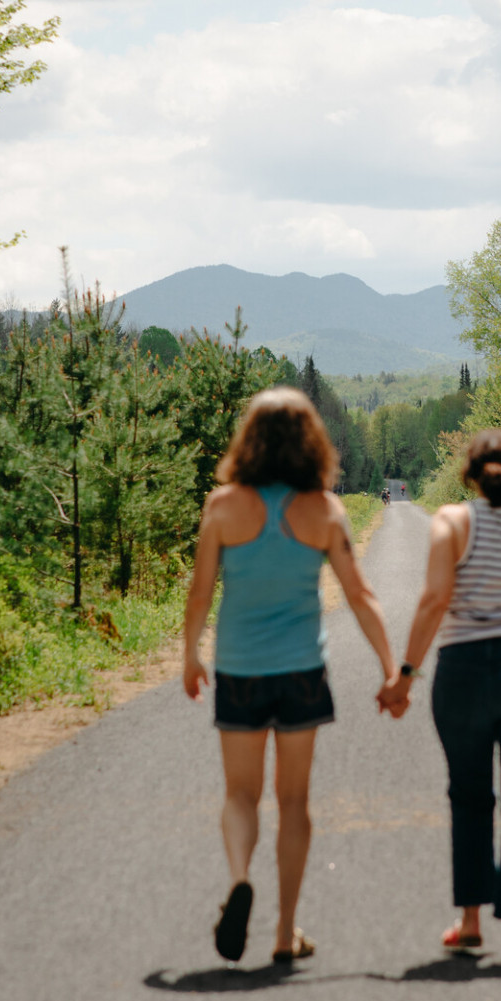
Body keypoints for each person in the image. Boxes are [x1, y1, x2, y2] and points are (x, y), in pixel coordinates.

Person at [182, 387, 400, 964]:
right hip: (301, 671)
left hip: (240, 670)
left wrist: (189, 654)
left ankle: (237, 880)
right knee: (295, 800)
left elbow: (201, 590)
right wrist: (390, 669)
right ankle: (285, 934)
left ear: (248, 440)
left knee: (240, 794)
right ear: (311, 442)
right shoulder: (324, 510)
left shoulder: (222, 506)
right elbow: (360, 595)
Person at [379, 429, 501, 963]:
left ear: (469, 475)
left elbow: (436, 597)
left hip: (463, 670)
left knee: (469, 795)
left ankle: (468, 923)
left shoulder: (452, 521)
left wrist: (404, 675)